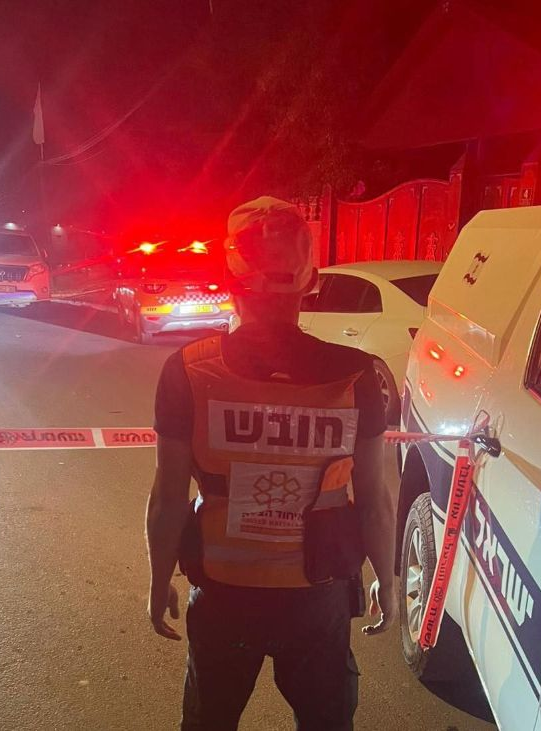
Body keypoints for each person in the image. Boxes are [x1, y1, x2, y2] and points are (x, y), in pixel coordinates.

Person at [145, 196, 397, 731]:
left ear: (229, 281)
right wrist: (387, 579)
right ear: (313, 282)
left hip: (223, 594)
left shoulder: (188, 370)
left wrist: (158, 580)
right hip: (317, 597)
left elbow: (168, 498)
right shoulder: (358, 376)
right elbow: (376, 500)